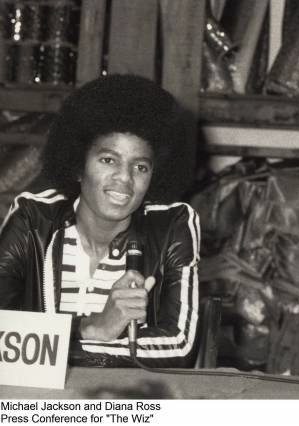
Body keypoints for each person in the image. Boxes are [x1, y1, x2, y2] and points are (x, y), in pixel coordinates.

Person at [0, 74, 200, 367]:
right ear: (77, 165)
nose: (124, 178)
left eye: (140, 167)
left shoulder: (172, 226)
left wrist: (70, 345)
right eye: (108, 160)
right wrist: (92, 328)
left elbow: (179, 348)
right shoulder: (33, 219)